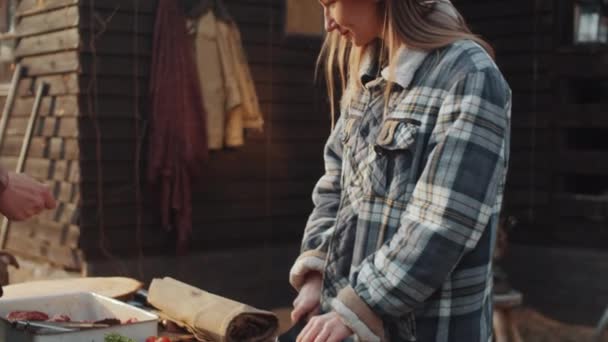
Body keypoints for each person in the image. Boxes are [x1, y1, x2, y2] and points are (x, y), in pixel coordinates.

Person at [288, 0, 511, 341]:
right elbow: (337, 187)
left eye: (330, 3)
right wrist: (317, 272)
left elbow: (443, 224)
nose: (328, 24)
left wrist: (359, 306)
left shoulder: (469, 76)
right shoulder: (370, 68)